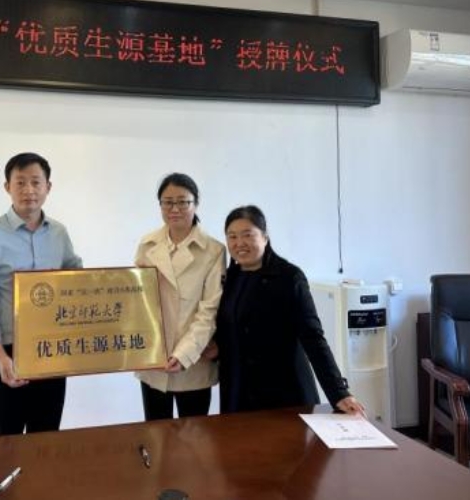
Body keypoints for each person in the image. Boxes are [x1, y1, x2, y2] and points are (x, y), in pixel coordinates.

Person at [0, 152, 82, 437]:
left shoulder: (58, 233)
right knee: (0, 446)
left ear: (48, 187)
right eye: (20, 182)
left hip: (50, 353)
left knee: (45, 443)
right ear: (7, 187)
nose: (28, 190)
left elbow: (76, 281)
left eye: (35, 182)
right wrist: (0, 357)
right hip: (5, 355)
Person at [212, 205, 365, 416]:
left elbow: (313, 337)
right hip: (238, 393)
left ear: (265, 237)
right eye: (232, 237)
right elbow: (227, 328)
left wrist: (339, 392)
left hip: (285, 392)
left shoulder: (289, 277)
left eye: (248, 235)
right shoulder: (229, 279)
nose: (239, 243)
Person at [134, 173, 226, 420]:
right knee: (155, 433)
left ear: (196, 204)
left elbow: (209, 311)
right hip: (154, 360)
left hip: (195, 360)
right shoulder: (147, 244)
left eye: (183, 202)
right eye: (167, 202)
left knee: (193, 436)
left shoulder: (213, 250)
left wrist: (184, 354)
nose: (174, 209)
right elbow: (138, 302)